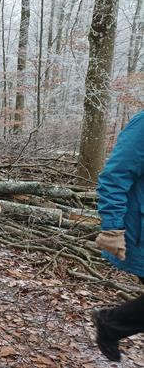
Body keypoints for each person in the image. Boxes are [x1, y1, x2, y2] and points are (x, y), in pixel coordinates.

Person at [91, 110, 144, 362]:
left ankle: (111, 324)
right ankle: (111, 324)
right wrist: (112, 227)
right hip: (140, 234)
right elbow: (113, 177)